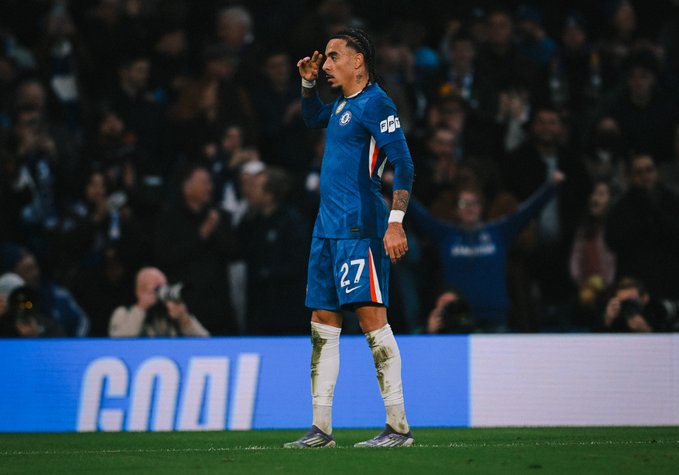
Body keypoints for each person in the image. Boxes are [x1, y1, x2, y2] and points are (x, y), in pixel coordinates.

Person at [284, 28, 415, 449]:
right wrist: (307, 85)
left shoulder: (377, 103)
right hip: (326, 229)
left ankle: (398, 427)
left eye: (333, 57)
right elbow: (312, 118)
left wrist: (395, 222)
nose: (325, 64)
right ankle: (321, 428)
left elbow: (404, 162)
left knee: (372, 320)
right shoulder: (342, 103)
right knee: (322, 323)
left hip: (360, 227)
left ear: (358, 61)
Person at [409, 171, 564, 332]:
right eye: (464, 203)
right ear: (456, 209)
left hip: (494, 319)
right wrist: (397, 188)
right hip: (457, 319)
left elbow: (527, 212)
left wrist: (551, 187)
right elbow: (420, 216)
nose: (470, 208)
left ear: (481, 207)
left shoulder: (499, 232)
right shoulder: (445, 234)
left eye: (474, 203)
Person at [109, 266, 209, 337]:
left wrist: (183, 319)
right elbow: (119, 343)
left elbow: (205, 342)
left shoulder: (170, 314)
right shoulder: (123, 313)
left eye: (164, 286)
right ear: (139, 291)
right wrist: (141, 308)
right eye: (156, 288)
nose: (161, 292)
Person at [602, 276, 678, 332]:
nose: (627, 305)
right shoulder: (617, 315)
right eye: (623, 302)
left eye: (631, 300)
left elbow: (671, 340)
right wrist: (608, 320)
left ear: (645, 298)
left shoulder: (658, 310)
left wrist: (646, 330)